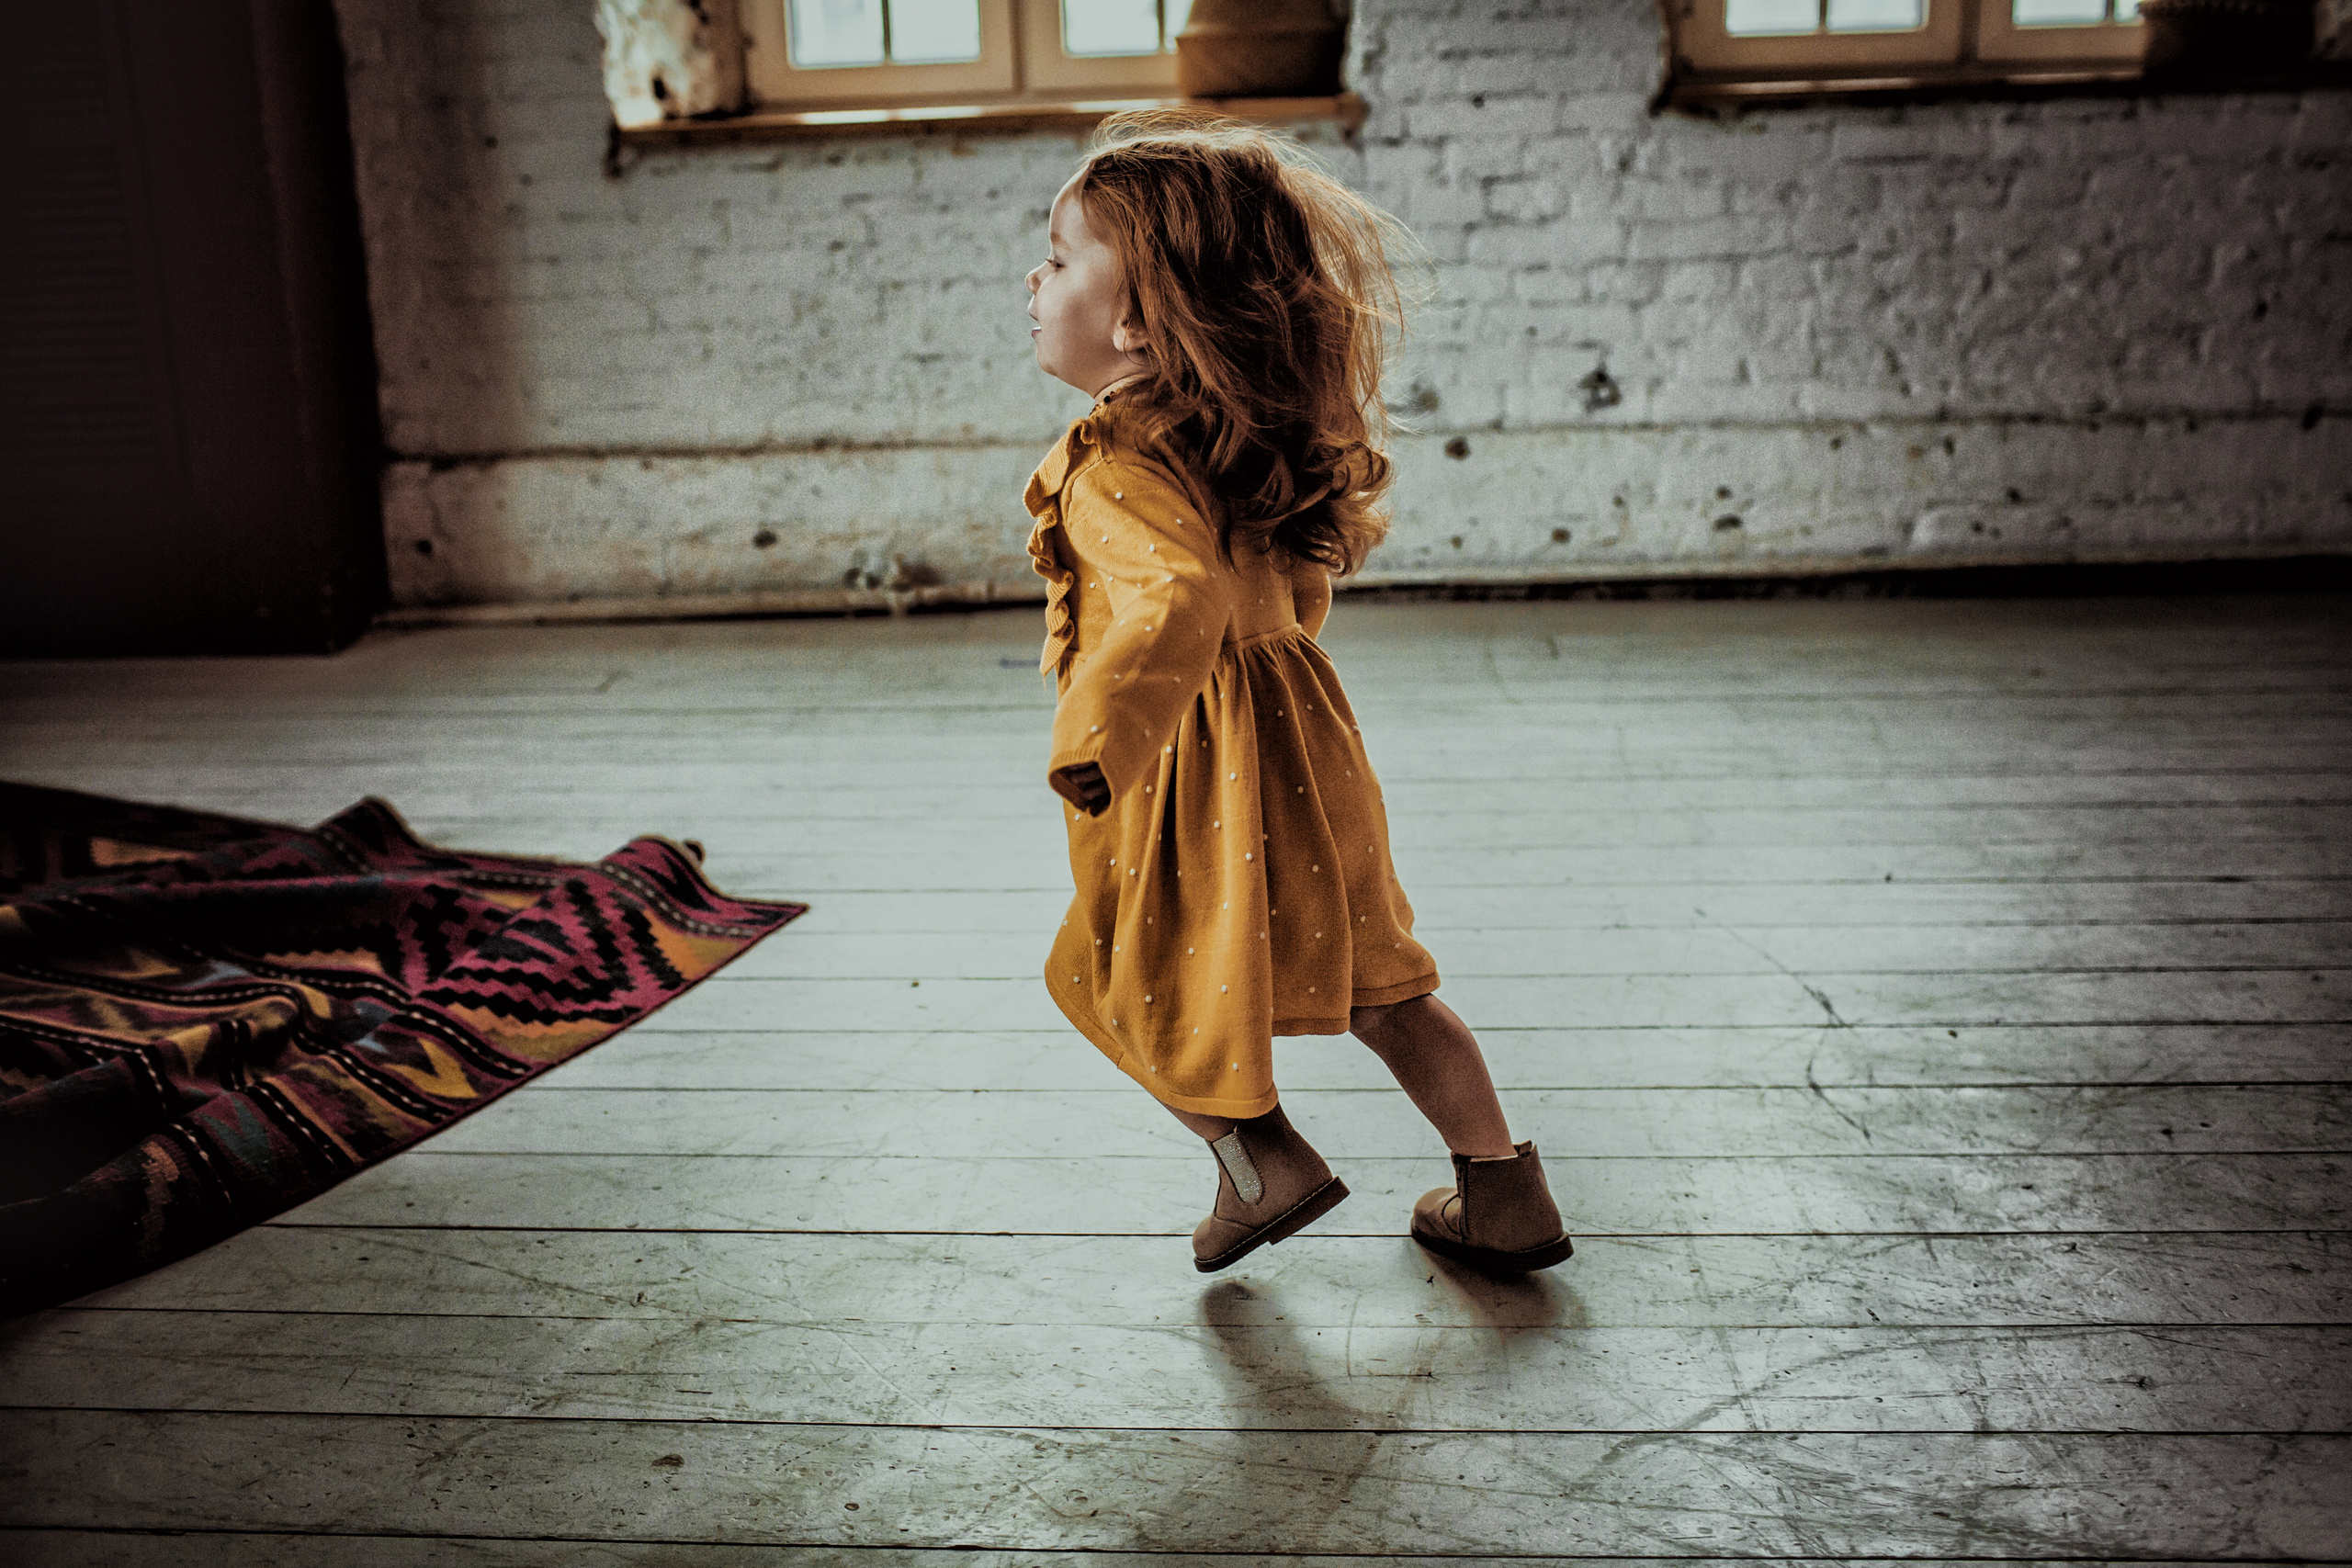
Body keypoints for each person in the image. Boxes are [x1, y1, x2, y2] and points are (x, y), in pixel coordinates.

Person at [1021, 111, 1572, 1276]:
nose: (1035, 278)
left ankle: (1258, 1162)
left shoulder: (1114, 464)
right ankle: (1504, 1193)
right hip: (1303, 748)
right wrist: (1263, 678)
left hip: (1182, 767)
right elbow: (1294, 591)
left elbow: (1172, 602)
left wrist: (1098, 741)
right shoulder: (1241, 435)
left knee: (1107, 971)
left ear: (1134, 317)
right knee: (1383, 984)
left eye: (1059, 259)